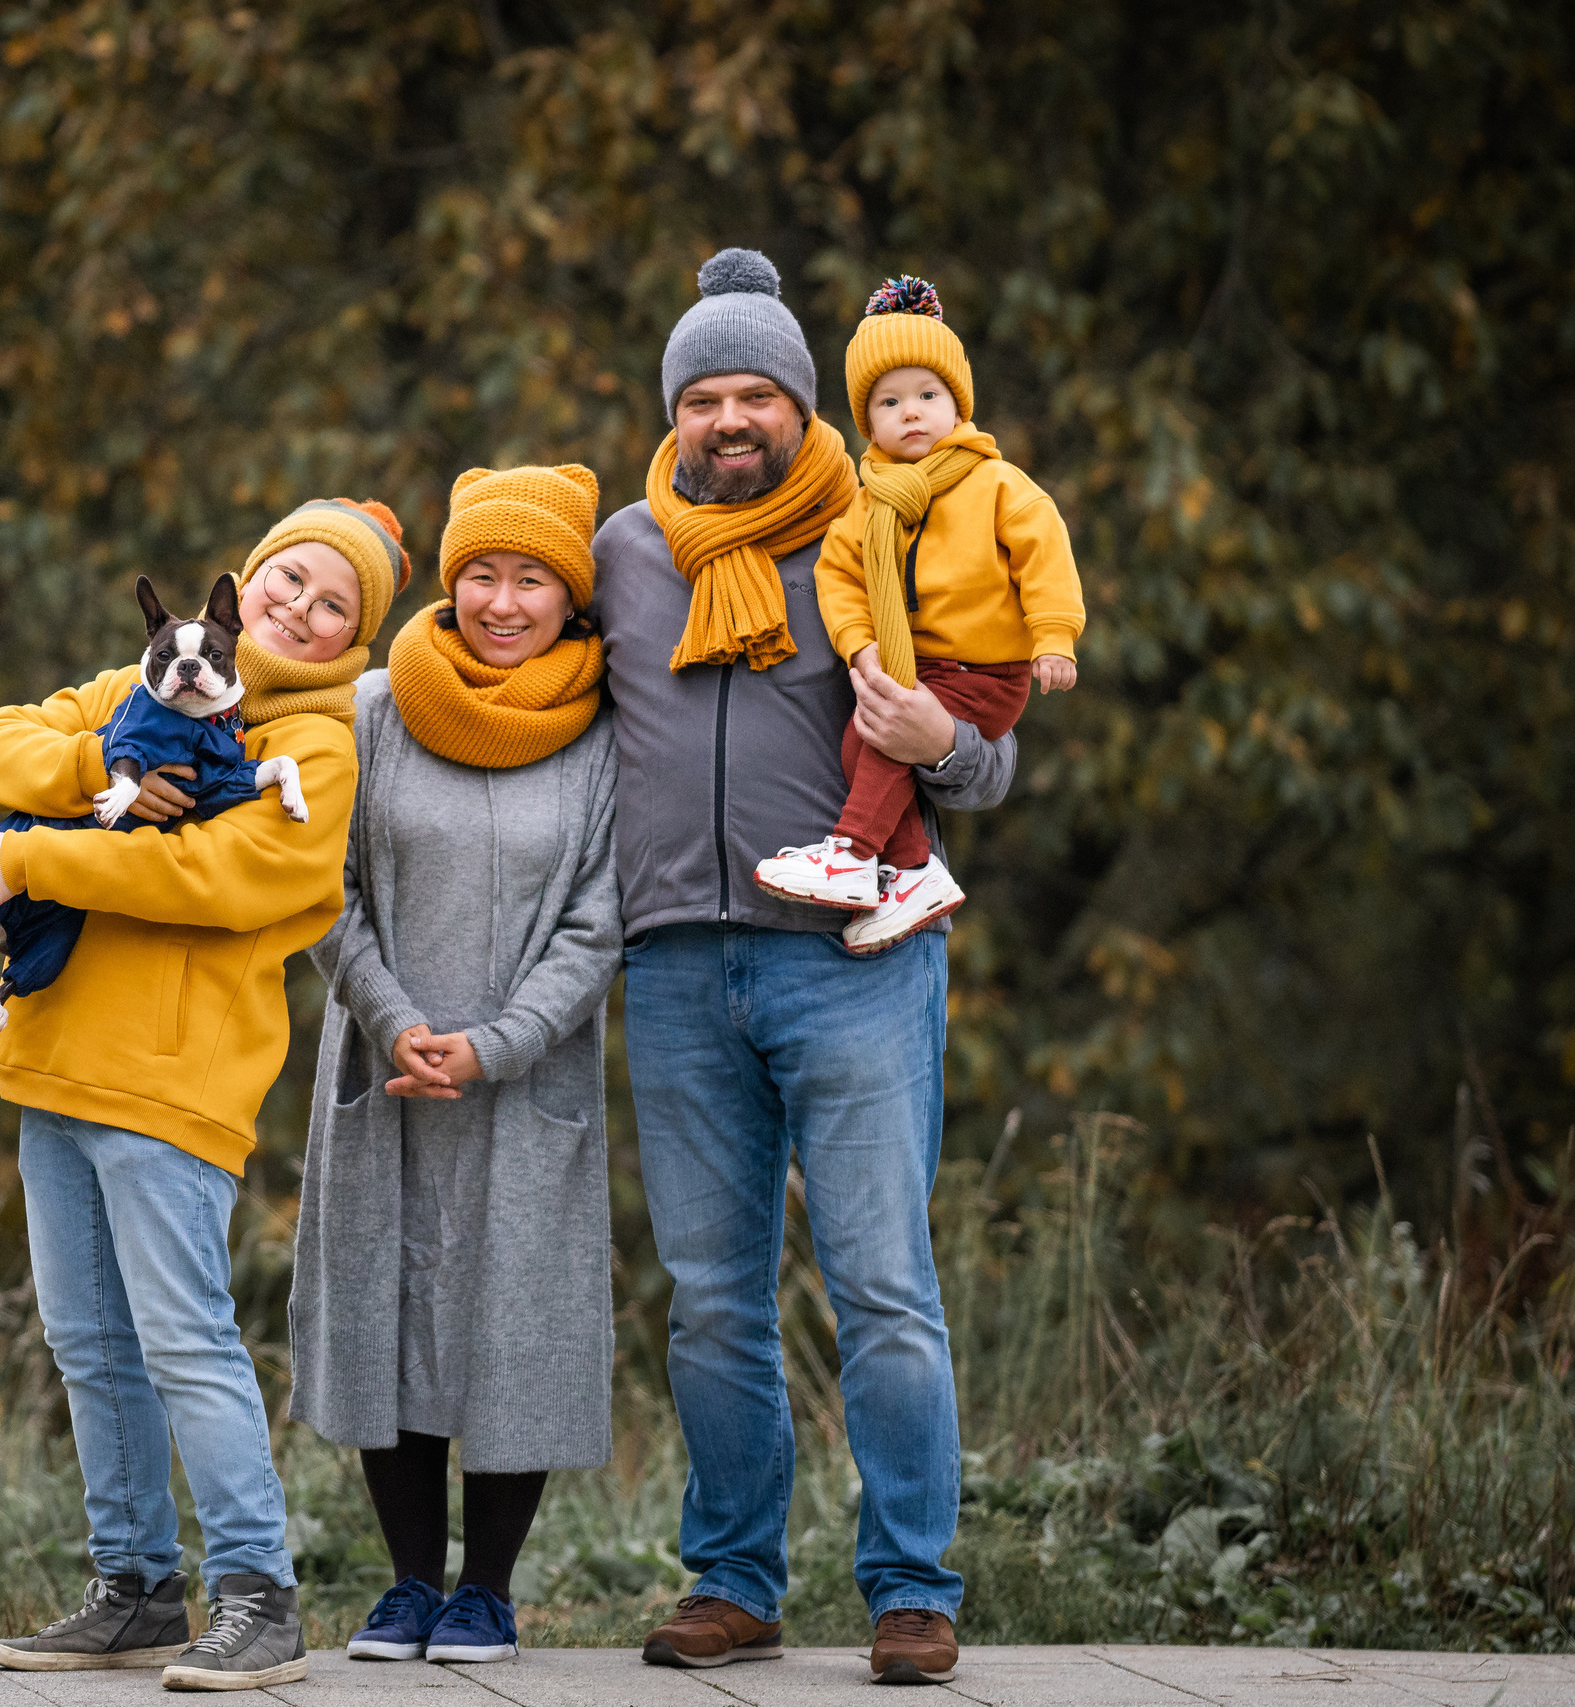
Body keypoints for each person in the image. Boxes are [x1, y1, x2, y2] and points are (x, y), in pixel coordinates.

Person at [587, 247, 1018, 1687]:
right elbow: (499, 668)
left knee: (883, 1281)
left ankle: (911, 1589)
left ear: (800, 402)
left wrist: (940, 749)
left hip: (854, 957)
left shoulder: (890, 521)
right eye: (702, 394)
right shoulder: (626, 554)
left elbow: (992, 745)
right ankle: (735, 1581)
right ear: (673, 410)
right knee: (712, 1296)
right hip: (674, 965)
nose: (729, 419)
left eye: (756, 392)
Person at [0, 497, 411, 1692]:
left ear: (356, 634)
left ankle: (259, 1595)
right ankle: (135, 1588)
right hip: (54, 1063)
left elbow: (222, 874)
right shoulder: (147, 688)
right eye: (287, 579)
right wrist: (102, 763)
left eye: (333, 602)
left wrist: (25, 855)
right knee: (90, 1345)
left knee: (184, 1343)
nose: (298, 607)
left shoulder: (313, 747)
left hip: (171, 1081)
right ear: (241, 583)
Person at [290, 463, 621, 1668]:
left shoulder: (600, 737)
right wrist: (390, 1017)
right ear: (447, 582)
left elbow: (600, 921)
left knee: (513, 1321)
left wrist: (494, 1046)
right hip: (385, 1070)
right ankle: (405, 1586)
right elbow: (320, 883)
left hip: (525, 1080)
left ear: (568, 599)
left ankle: (486, 1592)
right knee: (390, 1312)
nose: (499, 599)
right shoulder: (372, 709)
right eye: (479, 572)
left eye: (529, 578)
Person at [752, 275, 1085, 952]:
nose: (912, 413)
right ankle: (911, 873)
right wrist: (860, 647)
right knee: (861, 741)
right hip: (915, 664)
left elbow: (1044, 555)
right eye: (890, 401)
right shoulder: (869, 502)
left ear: (958, 404)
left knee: (879, 742)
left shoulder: (994, 483)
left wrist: (1055, 636)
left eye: (928, 396)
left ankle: (852, 851)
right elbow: (838, 577)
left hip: (984, 670)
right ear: (865, 421)